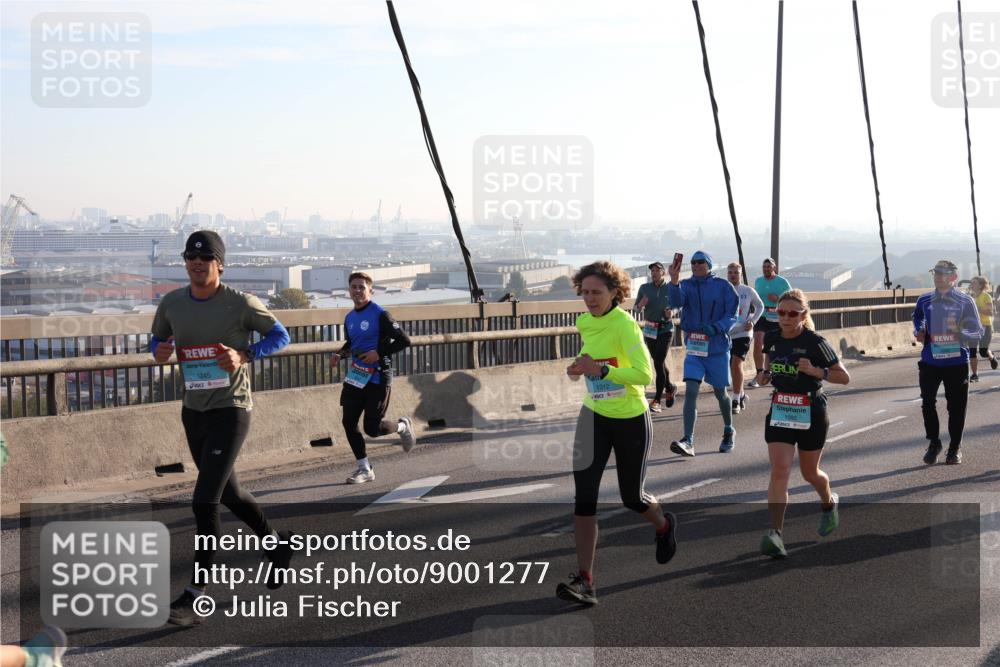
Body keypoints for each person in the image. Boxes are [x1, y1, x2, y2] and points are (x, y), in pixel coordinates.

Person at [151, 230, 294, 626]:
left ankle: (194, 597)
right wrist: (158, 351)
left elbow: (282, 335)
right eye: (191, 258)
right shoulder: (172, 303)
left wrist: (245, 353)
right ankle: (277, 546)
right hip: (193, 410)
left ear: (219, 263)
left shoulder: (240, 303)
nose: (197, 263)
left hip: (232, 409)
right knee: (229, 492)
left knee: (204, 501)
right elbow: (157, 340)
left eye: (206, 258)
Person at [556, 261, 677, 606]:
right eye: (585, 292)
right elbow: (594, 360)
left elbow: (644, 375)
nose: (590, 298)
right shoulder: (583, 322)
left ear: (615, 293)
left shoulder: (626, 326)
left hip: (629, 419)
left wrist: (603, 369)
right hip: (594, 416)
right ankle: (585, 580)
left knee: (631, 497)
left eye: (597, 292)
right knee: (584, 498)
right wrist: (580, 368)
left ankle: (664, 525)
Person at [758, 289, 850, 558]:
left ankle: (828, 501)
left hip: (811, 409)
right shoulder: (772, 338)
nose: (785, 317)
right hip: (781, 408)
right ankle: (776, 533)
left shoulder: (816, 342)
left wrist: (815, 371)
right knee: (780, 470)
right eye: (780, 312)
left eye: (792, 313)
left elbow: (843, 377)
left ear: (803, 315)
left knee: (811, 474)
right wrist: (763, 376)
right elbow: (766, 368)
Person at [329, 272, 416, 484]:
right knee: (348, 422)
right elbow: (352, 344)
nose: (357, 290)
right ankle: (364, 468)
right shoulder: (349, 318)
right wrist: (340, 354)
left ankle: (402, 427)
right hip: (357, 376)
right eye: (354, 287)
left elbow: (404, 340)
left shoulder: (380, 314)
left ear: (370, 291)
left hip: (378, 376)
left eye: (362, 287)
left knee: (372, 429)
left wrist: (378, 352)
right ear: (349, 290)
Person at [666, 250, 739, 455]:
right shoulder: (686, 285)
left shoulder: (723, 286)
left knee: (720, 393)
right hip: (695, 349)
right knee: (690, 391)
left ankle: (728, 430)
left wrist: (717, 327)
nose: (697, 265)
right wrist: (673, 280)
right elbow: (675, 303)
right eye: (693, 262)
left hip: (717, 348)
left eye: (701, 262)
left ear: (709, 264)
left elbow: (733, 314)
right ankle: (688, 440)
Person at [912, 260, 983, 465]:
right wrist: (919, 330)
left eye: (943, 274)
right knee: (927, 403)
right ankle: (934, 443)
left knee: (956, 407)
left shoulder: (965, 301)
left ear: (953, 277)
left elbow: (978, 331)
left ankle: (954, 447)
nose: (938, 277)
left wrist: (961, 334)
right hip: (930, 361)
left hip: (956, 362)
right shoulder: (924, 300)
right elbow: (917, 317)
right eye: (935, 273)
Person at [635, 261, 677, 412]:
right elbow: (636, 308)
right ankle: (670, 387)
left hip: (666, 329)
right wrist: (641, 304)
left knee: (658, 361)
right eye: (652, 271)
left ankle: (657, 400)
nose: (654, 273)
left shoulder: (670, 288)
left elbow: (678, 305)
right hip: (650, 329)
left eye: (657, 271)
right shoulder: (644, 288)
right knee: (658, 362)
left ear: (663, 273)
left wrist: (672, 312)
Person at [726, 261, 763, 414]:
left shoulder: (747, 291)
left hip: (743, 333)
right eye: (730, 272)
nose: (733, 275)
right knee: (733, 368)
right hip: (728, 334)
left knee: (736, 363)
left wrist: (752, 322)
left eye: (736, 272)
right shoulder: (723, 289)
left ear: (740, 275)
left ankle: (735, 400)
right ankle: (740, 394)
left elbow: (760, 306)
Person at [749, 258, 792, 388]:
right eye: (764, 266)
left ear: (774, 268)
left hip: (777, 318)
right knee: (757, 344)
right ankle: (759, 374)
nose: (766, 269)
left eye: (769, 266)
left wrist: (777, 299)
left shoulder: (782, 282)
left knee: (771, 348)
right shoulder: (758, 281)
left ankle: (771, 372)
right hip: (762, 316)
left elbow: (792, 299)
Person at [966, 276, 998, 382]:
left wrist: (976, 309)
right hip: (972, 327)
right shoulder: (969, 297)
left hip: (985, 326)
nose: (972, 284)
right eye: (971, 283)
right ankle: (975, 375)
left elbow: (990, 312)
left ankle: (991, 356)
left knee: (983, 352)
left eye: (974, 283)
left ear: (980, 285)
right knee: (972, 351)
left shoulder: (986, 296)